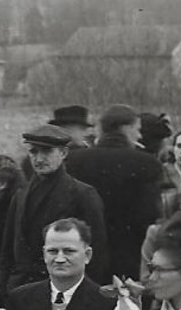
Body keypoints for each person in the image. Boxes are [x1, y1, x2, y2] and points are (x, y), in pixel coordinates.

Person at [0, 124, 109, 290]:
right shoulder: (21, 195)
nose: (39, 159)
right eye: (34, 152)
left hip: (62, 288)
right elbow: (8, 250)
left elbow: (97, 253)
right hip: (20, 289)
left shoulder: (82, 194)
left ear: (63, 153)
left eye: (47, 151)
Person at [65, 104, 164, 281]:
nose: (140, 135)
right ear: (127, 128)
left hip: (81, 256)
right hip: (129, 259)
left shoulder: (73, 160)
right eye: (137, 129)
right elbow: (149, 215)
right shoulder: (147, 163)